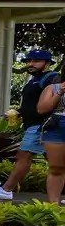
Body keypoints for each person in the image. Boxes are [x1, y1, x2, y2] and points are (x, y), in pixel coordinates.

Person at [0, 49, 59, 200]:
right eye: (29, 61)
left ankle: (6, 190)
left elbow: (54, 102)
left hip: (42, 125)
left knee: (23, 155)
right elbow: (31, 104)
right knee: (56, 162)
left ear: (47, 63)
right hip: (35, 125)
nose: (31, 64)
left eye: (36, 61)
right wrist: (19, 112)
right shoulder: (33, 80)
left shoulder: (52, 78)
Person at [34, 58, 65, 204]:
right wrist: (60, 92)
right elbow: (42, 109)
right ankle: (54, 206)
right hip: (57, 126)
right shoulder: (53, 88)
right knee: (56, 168)